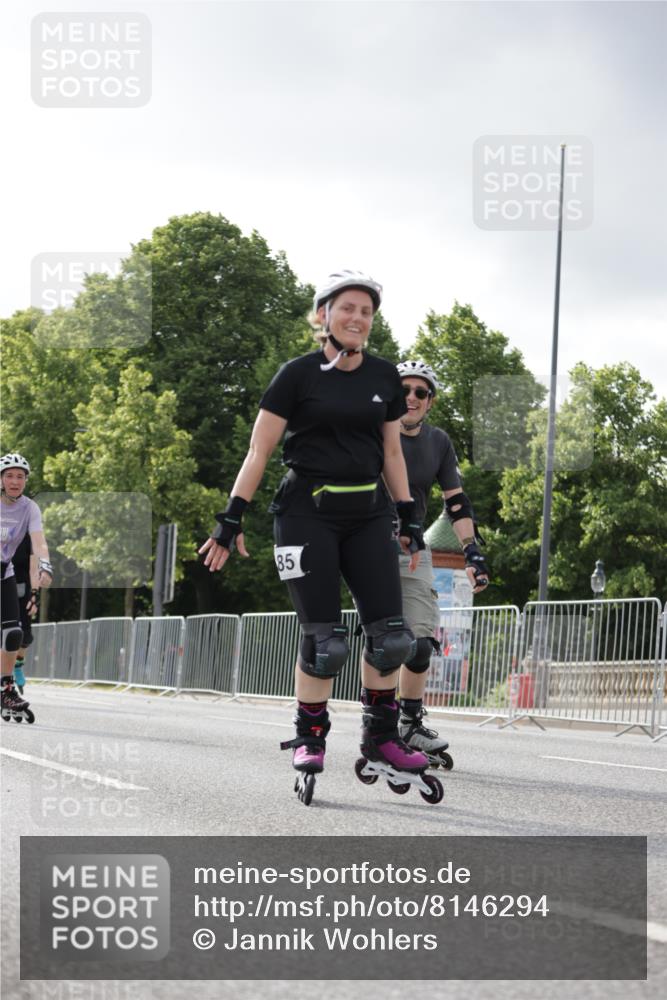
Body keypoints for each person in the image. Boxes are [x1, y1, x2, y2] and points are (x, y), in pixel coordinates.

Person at [199, 271, 443, 806]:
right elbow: (258, 452)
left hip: (369, 515)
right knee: (325, 642)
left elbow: (393, 454)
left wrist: (407, 516)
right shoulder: (297, 376)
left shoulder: (382, 376)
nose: (358, 318)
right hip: (306, 515)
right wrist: (231, 517)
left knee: (392, 637)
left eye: (367, 312)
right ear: (324, 315)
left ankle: (380, 738)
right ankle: (310, 737)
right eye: (348, 308)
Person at [394, 360, 490, 765]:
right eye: (405, 390)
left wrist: (472, 552)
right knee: (384, 642)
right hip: (364, 544)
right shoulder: (370, 432)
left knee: (419, 645)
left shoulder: (437, 442)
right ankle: (375, 729)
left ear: (429, 402)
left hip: (413, 550)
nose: (411, 398)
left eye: (421, 392)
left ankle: (408, 726)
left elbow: (456, 502)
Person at [0, 454, 52, 721]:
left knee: (13, 633)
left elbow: (39, 541)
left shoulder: (30, 508)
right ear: (1, 480)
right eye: (9, 475)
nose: (15, 481)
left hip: (4, 573)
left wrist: (45, 566)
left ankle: (6, 688)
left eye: (20, 476)